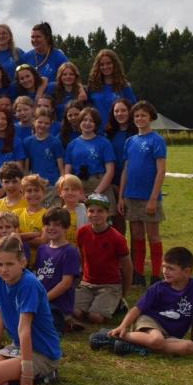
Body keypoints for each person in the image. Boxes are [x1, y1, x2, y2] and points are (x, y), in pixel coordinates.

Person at [0, 234, 62, 385]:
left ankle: (46, 373)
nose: (4, 269)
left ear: (23, 262)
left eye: (10, 264)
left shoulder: (29, 284)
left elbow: (24, 329)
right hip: (18, 347)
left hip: (42, 352)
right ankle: (10, 372)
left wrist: (26, 378)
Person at [100, 246, 193, 357]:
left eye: (170, 268)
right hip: (150, 322)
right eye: (163, 266)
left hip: (169, 335)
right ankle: (115, 335)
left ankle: (136, 346)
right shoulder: (158, 287)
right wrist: (123, 326)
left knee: (189, 347)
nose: (165, 271)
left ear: (187, 272)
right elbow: (137, 309)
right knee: (156, 340)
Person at [117, 101, 168, 286]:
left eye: (143, 115)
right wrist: (121, 196)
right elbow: (126, 169)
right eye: (137, 115)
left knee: (153, 236)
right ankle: (138, 273)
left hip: (149, 197)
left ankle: (156, 274)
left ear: (151, 118)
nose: (140, 119)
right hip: (131, 196)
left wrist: (153, 198)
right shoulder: (130, 141)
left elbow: (161, 170)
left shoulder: (157, 140)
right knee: (137, 235)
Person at [73, 194, 133, 325]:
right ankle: (96, 302)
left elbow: (127, 266)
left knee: (95, 317)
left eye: (100, 211)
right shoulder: (82, 232)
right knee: (76, 313)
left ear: (108, 213)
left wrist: (124, 292)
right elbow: (82, 257)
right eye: (91, 211)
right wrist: (82, 278)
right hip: (87, 283)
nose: (95, 214)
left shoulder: (117, 238)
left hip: (110, 284)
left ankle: (118, 303)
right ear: (87, 213)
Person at [34, 208, 80, 332]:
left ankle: (66, 321)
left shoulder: (70, 251)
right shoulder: (42, 249)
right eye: (48, 224)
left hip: (58, 305)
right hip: (41, 301)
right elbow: (37, 276)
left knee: (40, 324)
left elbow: (66, 283)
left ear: (66, 227)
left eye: (56, 224)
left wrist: (43, 299)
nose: (51, 228)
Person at [87, 49, 138, 133]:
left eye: (109, 63)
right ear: (98, 67)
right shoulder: (92, 87)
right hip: (97, 132)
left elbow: (134, 109)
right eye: (102, 64)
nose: (105, 67)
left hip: (119, 132)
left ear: (115, 64)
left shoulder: (124, 86)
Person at [21, 22, 68, 91]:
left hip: (53, 95)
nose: (34, 40)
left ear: (47, 38)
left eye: (38, 37)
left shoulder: (59, 57)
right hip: (29, 96)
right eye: (32, 37)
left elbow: (71, 78)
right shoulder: (25, 57)